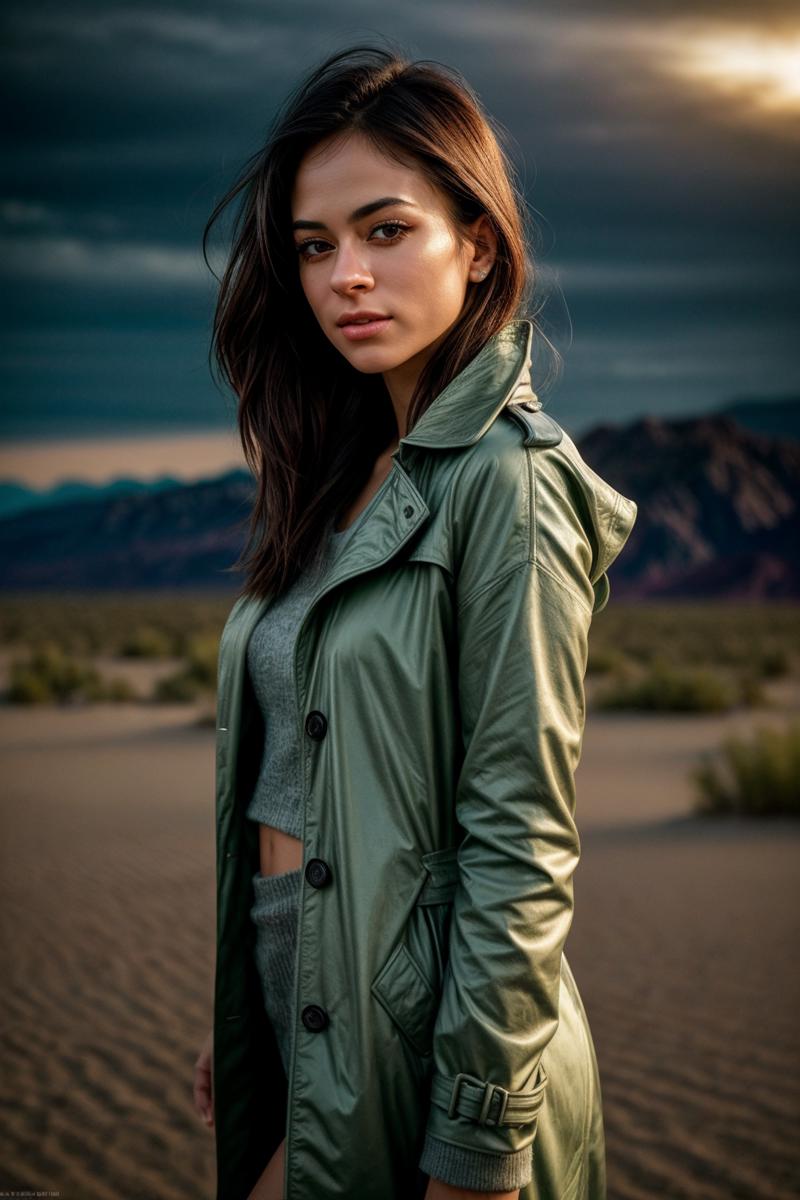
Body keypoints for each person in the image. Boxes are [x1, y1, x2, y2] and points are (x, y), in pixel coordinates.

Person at [192, 41, 637, 1200]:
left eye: (386, 230)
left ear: (475, 241)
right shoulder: (338, 474)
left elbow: (520, 847)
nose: (346, 274)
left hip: (434, 1056)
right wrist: (255, 1013)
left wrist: (477, 1145)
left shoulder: (508, 483)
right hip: (307, 1008)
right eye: (314, 245)